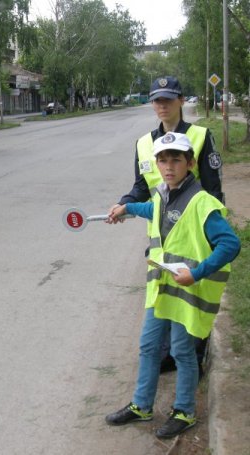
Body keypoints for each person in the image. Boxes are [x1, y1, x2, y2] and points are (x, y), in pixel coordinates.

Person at [104, 132, 240, 439]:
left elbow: (230, 244)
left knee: (181, 352)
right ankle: (141, 405)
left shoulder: (202, 202)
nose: (168, 166)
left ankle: (185, 411)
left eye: (175, 160)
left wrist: (198, 273)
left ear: (189, 163)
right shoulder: (163, 194)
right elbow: (151, 210)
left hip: (186, 292)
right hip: (163, 290)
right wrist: (125, 209)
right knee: (149, 346)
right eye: (162, 160)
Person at [110, 76, 224, 377]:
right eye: (157, 100)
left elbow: (213, 191)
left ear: (181, 101)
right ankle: (170, 355)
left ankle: (194, 356)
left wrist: (210, 236)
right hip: (161, 239)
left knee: (192, 303)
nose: (162, 105)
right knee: (163, 298)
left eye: (168, 99)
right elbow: (140, 188)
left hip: (193, 239)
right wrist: (124, 204)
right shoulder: (144, 143)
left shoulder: (200, 136)